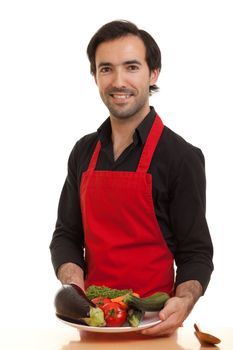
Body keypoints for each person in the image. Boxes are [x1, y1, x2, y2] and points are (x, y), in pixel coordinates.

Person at [50, 20, 213, 336]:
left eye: (132, 67)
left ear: (153, 74)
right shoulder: (83, 152)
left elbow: (196, 253)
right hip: (91, 324)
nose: (118, 81)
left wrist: (184, 301)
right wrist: (73, 289)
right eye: (106, 69)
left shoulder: (181, 158)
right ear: (95, 76)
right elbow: (66, 235)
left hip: (154, 326)